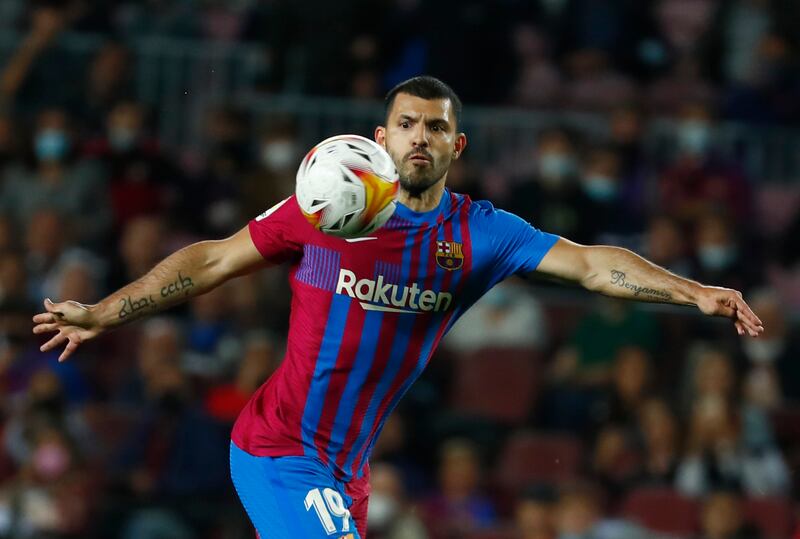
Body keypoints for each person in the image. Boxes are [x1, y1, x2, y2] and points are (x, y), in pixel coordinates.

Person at [32, 76, 764, 538]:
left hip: (348, 470)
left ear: (457, 145)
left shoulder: (481, 234)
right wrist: (106, 312)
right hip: (279, 449)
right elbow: (212, 259)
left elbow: (594, 264)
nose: (421, 135)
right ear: (381, 138)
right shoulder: (322, 207)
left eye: (436, 126)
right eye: (408, 123)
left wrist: (693, 290)